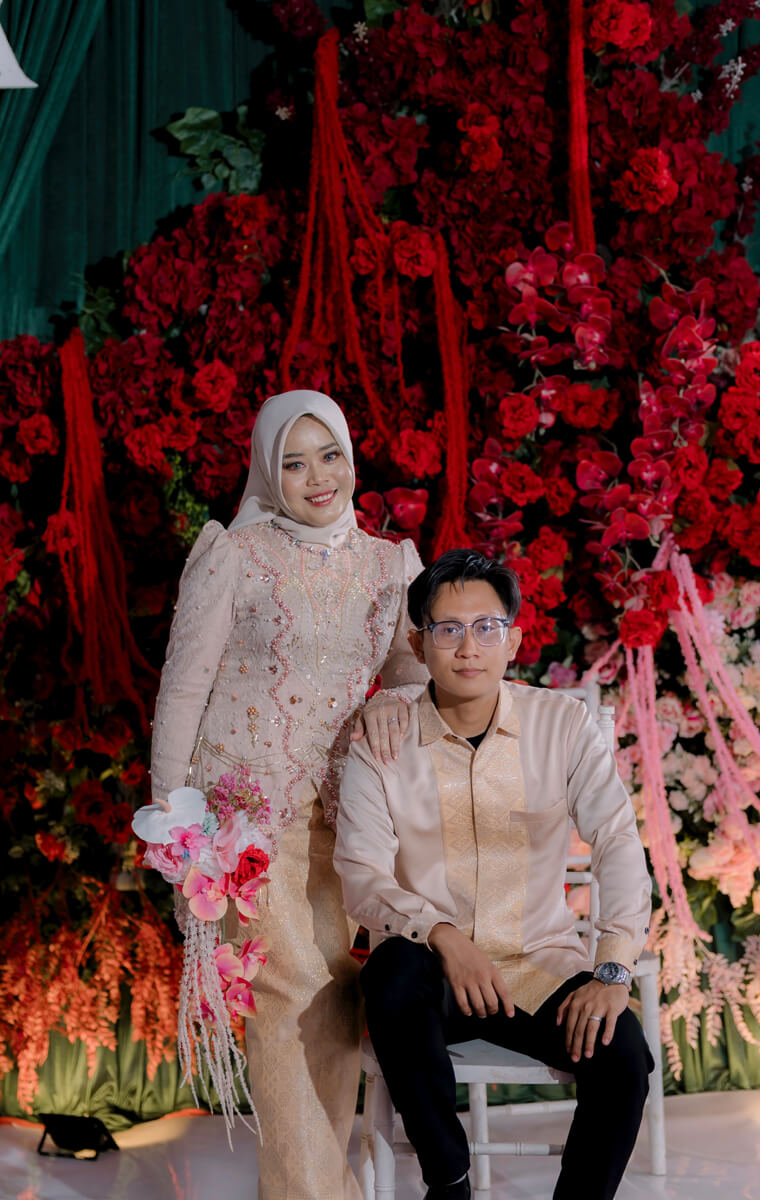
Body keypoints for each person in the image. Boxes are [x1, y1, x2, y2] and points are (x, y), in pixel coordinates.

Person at [149, 390, 428, 1200]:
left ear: (351, 458)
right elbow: (183, 688)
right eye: (294, 463)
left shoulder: (390, 565)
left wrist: (393, 700)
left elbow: (416, 680)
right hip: (243, 816)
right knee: (287, 988)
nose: (317, 477)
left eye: (329, 455)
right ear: (270, 475)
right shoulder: (235, 553)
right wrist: (174, 822)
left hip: (346, 813)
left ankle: (307, 1186)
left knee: (335, 992)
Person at [333, 548, 654, 1200]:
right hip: (432, 975)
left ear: (513, 639)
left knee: (623, 1053)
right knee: (390, 974)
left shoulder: (561, 725)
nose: (468, 647)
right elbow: (361, 873)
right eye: (448, 629)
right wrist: (442, 935)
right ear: (419, 644)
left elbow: (618, 840)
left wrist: (613, 970)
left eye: (486, 627)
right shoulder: (384, 740)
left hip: (538, 966)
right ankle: (449, 1181)